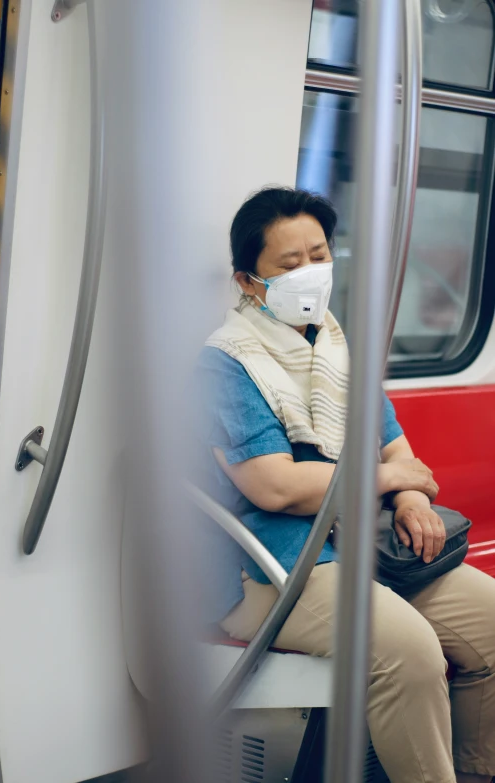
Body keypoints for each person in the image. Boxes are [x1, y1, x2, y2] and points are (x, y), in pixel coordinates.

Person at [193, 187, 495, 783]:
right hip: (269, 566)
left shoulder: (334, 349)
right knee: (408, 653)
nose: (311, 273)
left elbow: (398, 451)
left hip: (362, 549)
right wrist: (389, 478)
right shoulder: (224, 365)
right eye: (288, 264)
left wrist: (410, 498)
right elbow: (275, 487)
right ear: (249, 282)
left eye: (319, 254)